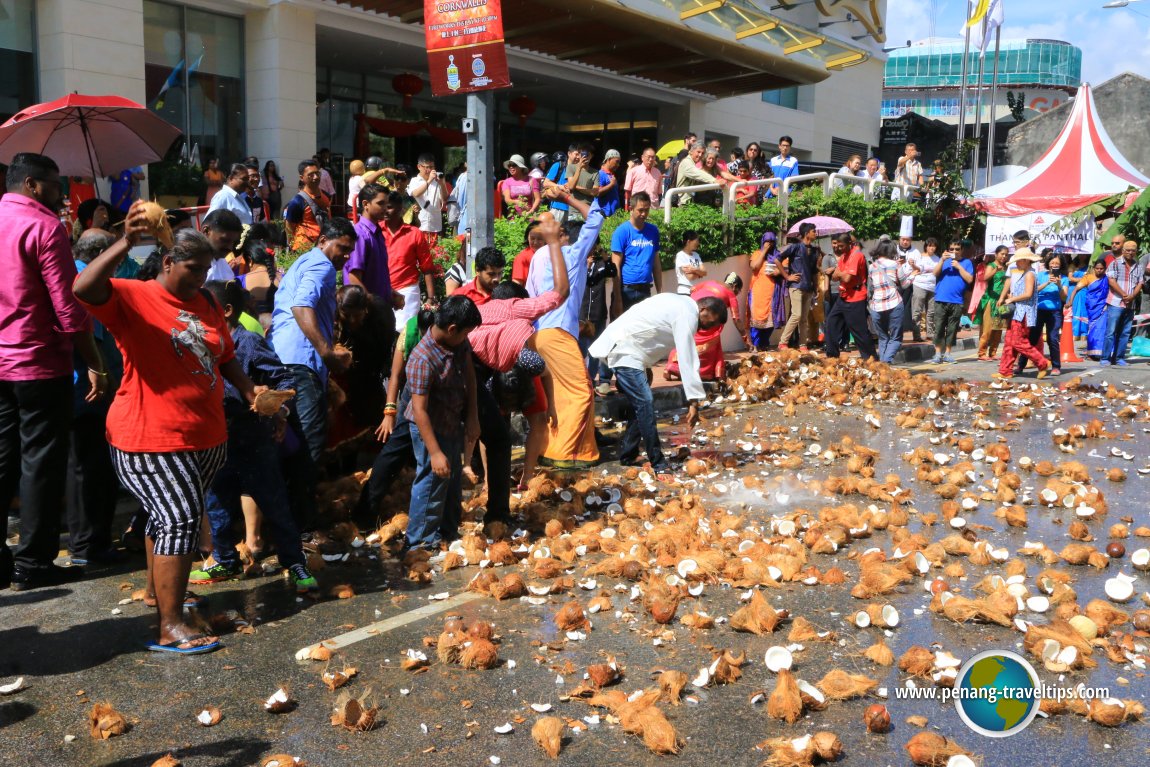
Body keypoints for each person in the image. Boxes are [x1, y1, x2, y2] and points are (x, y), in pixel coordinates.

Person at [74, 215, 265, 653]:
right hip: (148, 435)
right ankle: (171, 625)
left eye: (205, 268)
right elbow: (82, 288)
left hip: (204, 436)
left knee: (166, 516)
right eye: (192, 268)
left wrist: (250, 390)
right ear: (166, 262)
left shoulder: (209, 304)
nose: (200, 277)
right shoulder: (133, 296)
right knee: (180, 519)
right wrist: (125, 242)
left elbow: (225, 356)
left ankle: (154, 591)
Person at [0, 153, 106, 590]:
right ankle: (33, 562)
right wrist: (95, 362)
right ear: (32, 185)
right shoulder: (45, 227)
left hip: (6, 361)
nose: (62, 194)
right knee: (40, 464)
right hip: (38, 362)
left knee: (4, 461)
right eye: (55, 184)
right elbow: (69, 309)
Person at [189, 280, 317, 593]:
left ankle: (295, 562)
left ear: (227, 312)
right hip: (218, 438)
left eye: (205, 310)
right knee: (216, 500)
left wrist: (277, 409)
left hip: (253, 437)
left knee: (274, 501)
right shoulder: (201, 344)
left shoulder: (247, 342)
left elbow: (284, 379)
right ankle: (225, 559)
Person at [467, 217, 567, 514]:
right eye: (491, 274)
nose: (496, 278)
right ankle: (494, 488)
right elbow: (561, 292)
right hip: (485, 379)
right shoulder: (513, 310)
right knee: (494, 436)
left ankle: (514, 481)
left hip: (488, 377)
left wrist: (548, 406)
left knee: (495, 435)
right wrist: (552, 242)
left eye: (499, 274)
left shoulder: (478, 316)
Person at [589, 295, 724, 472]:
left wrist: (646, 365)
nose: (706, 328)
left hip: (629, 350)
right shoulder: (688, 314)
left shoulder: (681, 302)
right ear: (704, 309)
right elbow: (687, 358)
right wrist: (694, 402)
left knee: (640, 405)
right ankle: (658, 463)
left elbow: (648, 326)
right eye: (709, 322)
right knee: (645, 402)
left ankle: (629, 455)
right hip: (625, 351)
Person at [525, 186, 606, 469]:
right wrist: (567, 198)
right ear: (561, 236)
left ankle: (551, 449)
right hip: (558, 333)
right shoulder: (570, 254)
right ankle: (570, 454)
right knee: (583, 390)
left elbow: (530, 297)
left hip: (540, 334)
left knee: (557, 395)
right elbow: (595, 219)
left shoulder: (536, 257)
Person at [271, 218, 356, 470]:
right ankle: (303, 504)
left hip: (284, 357)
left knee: (292, 434)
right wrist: (326, 352)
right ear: (322, 241)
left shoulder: (304, 262)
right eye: (342, 248)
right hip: (301, 360)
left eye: (349, 251)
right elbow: (301, 305)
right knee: (311, 437)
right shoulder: (322, 265)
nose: (345, 256)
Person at [404, 296, 482, 554]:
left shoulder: (458, 342)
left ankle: (447, 529)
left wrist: (472, 416)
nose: (467, 337)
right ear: (451, 329)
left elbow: (469, 375)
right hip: (429, 427)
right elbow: (420, 410)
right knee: (431, 479)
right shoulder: (422, 358)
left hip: (451, 421)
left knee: (452, 478)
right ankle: (419, 543)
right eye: (466, 333)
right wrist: (435, 452)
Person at [665, 274, 743, 380]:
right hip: (707, 317)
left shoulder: (710, 282)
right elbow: (736, 318)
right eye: (738, 291)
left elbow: (692, 289)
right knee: (712, 343)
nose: (737, 293)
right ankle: (705, 373)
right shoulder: (730, 294)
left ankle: (670, 367)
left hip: (693, 310)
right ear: (734, 286)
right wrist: (746, 338)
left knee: (685, 340)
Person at [993, 248, 1050, 380]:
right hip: (1018, 312)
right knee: (1009, 341)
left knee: (1018, 342)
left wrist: (1012, 298)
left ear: (1025, 260)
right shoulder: (1025, 273)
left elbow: (1028, 294)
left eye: (1018, 261)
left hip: (1024, 313)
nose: (1016, 263)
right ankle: (1005, 370)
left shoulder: (1030, 274)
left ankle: (1042, 362)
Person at [384, 190, 436, 325]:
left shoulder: (415, 234)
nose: (385, 211)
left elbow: (427, 267)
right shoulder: (375, 232)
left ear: (400, 209)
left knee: (404, 336)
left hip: (407, 290)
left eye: (389, 207)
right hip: (380, 290)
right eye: (383, 206)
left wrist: (431, 298)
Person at [824, 232, 875, 360]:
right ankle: (832, 356)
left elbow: (846, 278)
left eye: (841, 246)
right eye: (837, 245)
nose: (838, 248)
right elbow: (835, 277)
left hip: (856, 298)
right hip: (843, 297)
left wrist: (841, 273)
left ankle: (870, 359)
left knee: (859, 332)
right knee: (831, 322)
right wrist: (841, 273)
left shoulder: (856, 256)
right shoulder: (843, 256)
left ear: (849, 244)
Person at [1017, 253, 1068, 376]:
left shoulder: (1064, 278)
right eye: (1052, 263)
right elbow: (1032, 291)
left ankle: (1056, 366)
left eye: (1057, 263)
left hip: (1054, 311)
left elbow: (1064, 297)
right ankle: (1020, 365)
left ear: (1060, 265)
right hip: (1038, 310)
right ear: (1048, 263)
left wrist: (1059, 285)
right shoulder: (1039, 275)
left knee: (1053, 338)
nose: (1054, 265)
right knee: (1032, 339)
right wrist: (1047, 283)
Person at [610, 191, 661, 313]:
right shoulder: (622, 231)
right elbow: (615, 266)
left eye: (647, 210)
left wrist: (660, 293)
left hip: (645, 291)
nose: (644, 214)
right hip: (626, 291)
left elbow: (656, 263)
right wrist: (618, 299)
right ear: (631, 209)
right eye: (640, 210)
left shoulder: (653, 231)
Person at [344, 183, 394, 303]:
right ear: (365, 204)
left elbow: (377, 276)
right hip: (364, 311)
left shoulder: (377, 232)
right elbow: (354, 278)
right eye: (380, 203)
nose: (385, 209)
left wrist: (391, 294)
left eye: (386, 204)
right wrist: (373, 306)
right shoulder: (359, 234)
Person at [929, 239, 974, 364]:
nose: (954, 251)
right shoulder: (944, 261)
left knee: (952, 329)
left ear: (962, 250)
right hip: (941, 299)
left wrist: (959, 267)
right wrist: (942, 260)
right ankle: (937, 354)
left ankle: (948, 353)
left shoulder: (966, 263)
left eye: (957, 249)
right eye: (952, 249)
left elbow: (970, 279)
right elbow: (935, 273)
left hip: (956, 300)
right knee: (938, 327)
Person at [1101, 239, 1144, 366]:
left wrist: (1132, 296)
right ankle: (1105, 358)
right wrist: (1124, 295)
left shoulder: (1138, 266)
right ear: (1123, 251)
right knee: (1110, 332)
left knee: (1125, 333)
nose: (1130, 253)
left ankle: (1119, 357)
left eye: (1133, 250)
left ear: (1136, 252)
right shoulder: (1115, 264)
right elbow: (1111, 281)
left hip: (1130, 304)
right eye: (1128, 250)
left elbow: (1140, 283)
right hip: (1115, 302)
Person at [868, 240, 912, 363]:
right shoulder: (895, 265)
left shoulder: (872, 266)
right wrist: (913, 275)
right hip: (894, 303)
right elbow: (905, 284)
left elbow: (870, 288)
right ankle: (885, 362)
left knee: (882, 338)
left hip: (876, 306)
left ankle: (882, 367)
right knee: (896, 338)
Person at [581, 244, 617, 396]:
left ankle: (604, 381)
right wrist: (586, 266)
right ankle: (585, 382)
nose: (592, 250)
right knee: (582, 351)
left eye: (595, 247)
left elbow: (613, 271)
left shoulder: (602, 264)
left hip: (598, 314)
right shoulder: (579, 263)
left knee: (601, 348)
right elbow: (585, 281)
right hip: (582, 315)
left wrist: (604, 255)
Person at [778, 222, 819, 351]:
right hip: (796, 285)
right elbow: (777, 259)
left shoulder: (814, 251)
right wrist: (787, 276)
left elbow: (813, 271)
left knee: (804, 318)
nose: (815, 233)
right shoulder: (795, 247)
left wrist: (816, 286)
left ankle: (802, 344)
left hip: (808, 287)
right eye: (813, 231)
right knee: (796, 314)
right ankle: (783, 342)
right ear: (806, 233)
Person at [747, 232, 786, 350]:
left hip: (773, 293)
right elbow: (754, 267)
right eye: (767, 241)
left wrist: (778, 272)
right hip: (758, 291)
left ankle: (764, 343)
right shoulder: (757, 254)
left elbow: (785, 269)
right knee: (756, 318)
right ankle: (756, 344)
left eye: (772, 242)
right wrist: (764, 251)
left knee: (771, 320)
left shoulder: (778, 255)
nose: (769, 244)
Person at [285, 160, 331, 252]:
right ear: (302, 178)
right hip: (304, 249)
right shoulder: (297, 201)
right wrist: (291, 248)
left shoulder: (326, 196)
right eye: (311, 175)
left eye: (317, 173)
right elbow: (289, 227)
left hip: (323, 246)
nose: (316, 177)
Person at [1069, 259, 1111, 359]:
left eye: (1101, 269)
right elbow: (1076, 289)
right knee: (1092, 330)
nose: (1099, 270)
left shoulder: (1108, 278)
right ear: (1094, 268)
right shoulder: (1088, 277)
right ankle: (1091, 352)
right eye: (1097, 268)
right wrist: (1070, 301)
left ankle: (1102, 352)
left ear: (1105, 269)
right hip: (1092, 307)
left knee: (1102, 329)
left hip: (1103, 307)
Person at [976, 246, 1010, 360]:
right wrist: (996, 270)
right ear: (996, 254)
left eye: (1006, 254)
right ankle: (982, 353)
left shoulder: (1006, 267)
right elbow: (985, 277)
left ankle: (993, 352)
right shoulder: (991, 265)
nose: (1004, 256)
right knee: (987, 328)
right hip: (990, 299)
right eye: (1002, 254)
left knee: (999, 328)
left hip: (1002, 300)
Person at [408, 153, 446, 246]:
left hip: (436, 226)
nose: (429, 170)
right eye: (427, 167)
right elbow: (416, 193)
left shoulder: (437, 180)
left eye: (432, 167)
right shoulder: (414, 180)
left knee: (436, 257)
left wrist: (442, 184)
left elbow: (444, 199)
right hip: (421, 226)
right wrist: (429, 181)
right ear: (419, 166)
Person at [906, 237, 938, 343]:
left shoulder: (937, 259)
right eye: (929, 245)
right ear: (926, 247)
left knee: (932, 312)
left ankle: (930, 333)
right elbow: (918, 268)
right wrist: (913, 265)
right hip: (920, 285)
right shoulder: (920, 257)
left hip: (933, 287)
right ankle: (916, 335)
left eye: (933, 246)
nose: (932, 248)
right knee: (917, 311)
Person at [201, 209, 244, 282]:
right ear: (206, 231)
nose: (230, 247)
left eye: (234, 242)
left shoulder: (223, 264)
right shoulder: (193, 266)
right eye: (225, 240)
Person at [674, 230, 706, 295]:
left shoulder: (696, 255)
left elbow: (705, 272)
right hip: (685, 292)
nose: (698, 243)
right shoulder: (680, 256)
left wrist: (694, 269)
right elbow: (690, 277)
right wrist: (700, 273)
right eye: (696, 241)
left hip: (697, 291)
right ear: (689, 241)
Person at [511, 221, 544, 285]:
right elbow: (517, 285)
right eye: (532, 238)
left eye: (539, 239)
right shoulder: (522, 258)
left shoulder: (551, 254)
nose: (535, 242)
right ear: (527, 238)